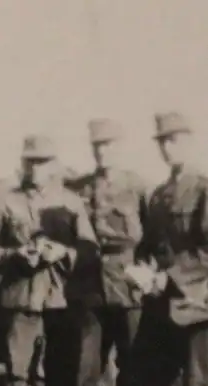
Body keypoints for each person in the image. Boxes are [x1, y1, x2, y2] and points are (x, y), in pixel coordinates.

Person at [0, 134, 101, 386]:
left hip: (60, 303)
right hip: (20, 304)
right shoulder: (5, 201)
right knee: (16, 375)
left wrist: (63, 253)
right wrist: (15, 254)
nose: (35, 168)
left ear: (54, 165)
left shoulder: (71, 202)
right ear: (23, 164)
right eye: (30, 161)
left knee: (61, 373)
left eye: (42, 162)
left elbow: (90, 251)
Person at [126, 112, 208, 386]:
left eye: (173, 140)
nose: (167, 147)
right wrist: (141, 269)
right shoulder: (159, 195)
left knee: (195, 378)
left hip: (196, 301)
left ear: (190, 142)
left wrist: (171, 276)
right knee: (145, 377)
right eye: (162, 142)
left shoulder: (203, 189)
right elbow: (150, 243)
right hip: (159, 301)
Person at [69, 119, 148, 386]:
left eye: (108, 145)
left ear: (121, 147)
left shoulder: (138, 186)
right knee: (86, 368)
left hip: (127, 289)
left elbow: (152, 237)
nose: (102, 152)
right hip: (90, 289)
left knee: (134, 365)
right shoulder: (80, 188)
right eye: (97, 146)